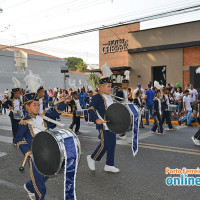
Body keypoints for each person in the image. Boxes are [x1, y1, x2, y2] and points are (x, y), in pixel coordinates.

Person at [15, 92, 70, 200]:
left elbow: (55, 113)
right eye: (34, 105)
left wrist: (65, 103)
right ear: (27, 106)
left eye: (38, 104)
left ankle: (29, 186)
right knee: (40, 186)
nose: (37, 107)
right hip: (34, 155)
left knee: (47, 174)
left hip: (47, 152)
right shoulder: (24, 122)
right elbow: (18, 138)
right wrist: (26, 150)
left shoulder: (42, 118)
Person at [87, 63, 119, 173]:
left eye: (111, 86)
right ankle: (92, 158)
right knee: (105, 144)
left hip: (112, 124)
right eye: (108, 86)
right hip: (103, 124)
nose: (110, 88)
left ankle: (109, 164)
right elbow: (90, 108)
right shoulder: (97, 97)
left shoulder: (110, 97)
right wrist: (96, 119)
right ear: (101, 87)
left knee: (112, 144)